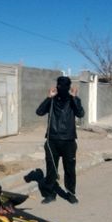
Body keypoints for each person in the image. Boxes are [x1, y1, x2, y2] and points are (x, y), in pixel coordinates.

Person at [35, 76, 85, 204]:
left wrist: (74, 97)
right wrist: (49, 97)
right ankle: (50, 194)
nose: (61, 88)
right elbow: (39, 112)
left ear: (69, 87)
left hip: (68, 140)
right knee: (51, 169)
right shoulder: (52, 101)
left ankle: (71, 193)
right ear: (56, 86)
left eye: (64, 86)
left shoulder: (73, 99)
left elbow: (80, 114)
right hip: (52, 140)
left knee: (69, 169)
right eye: (59, 85)